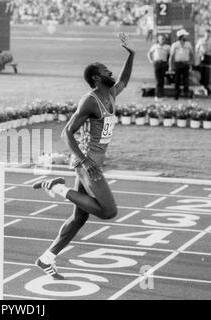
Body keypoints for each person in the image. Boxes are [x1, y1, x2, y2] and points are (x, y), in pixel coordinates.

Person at [32, 33, 135, 280]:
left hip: (93, 162)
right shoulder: (89, 101)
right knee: (109, 211)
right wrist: (86, 161)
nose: (112, 75)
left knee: (79, 218)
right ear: (97, 78)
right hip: (87, 163)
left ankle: (46, 258)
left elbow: (125, 80)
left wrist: (131, 55)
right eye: (107, 71)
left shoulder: (110, 94)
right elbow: (67, 132)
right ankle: (56, 187)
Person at [169, 29, 194, 100]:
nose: (186, 37)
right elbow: (171, 56)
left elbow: (192, 54)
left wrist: (191, 63)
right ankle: (176, 94)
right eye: (185, 35)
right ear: (181, 36)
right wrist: (170, 66)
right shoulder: (175, 45)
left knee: (186, 80)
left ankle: (186, 93)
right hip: (177, 64)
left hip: (186, 64)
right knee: (177, 80)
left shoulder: (188, 44)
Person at [147, 34, 171, 101]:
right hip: (157, 63)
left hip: (164, 64)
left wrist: (168, 63)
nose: (163, 40)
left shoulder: (168, 47)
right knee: (158, 80)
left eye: (164, 39)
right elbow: (149, 53)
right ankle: (157, 96)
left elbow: (171, 55)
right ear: (159, 40)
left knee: (162, 80)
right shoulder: (155, 46)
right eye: (161, 39)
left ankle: (161, 95)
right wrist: (151, 61)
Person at [195, 28, 211, 95]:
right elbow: (196, 49)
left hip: (208, 58)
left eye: (209, 35)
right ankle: (202, 88)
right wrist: (200, 53)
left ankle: (206, 87)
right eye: (207, 34)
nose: (208, 36)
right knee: (201, 74)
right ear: (204, 34)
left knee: (207, 74)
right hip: (201, 58)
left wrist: (208, 51)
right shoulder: (200, 40)